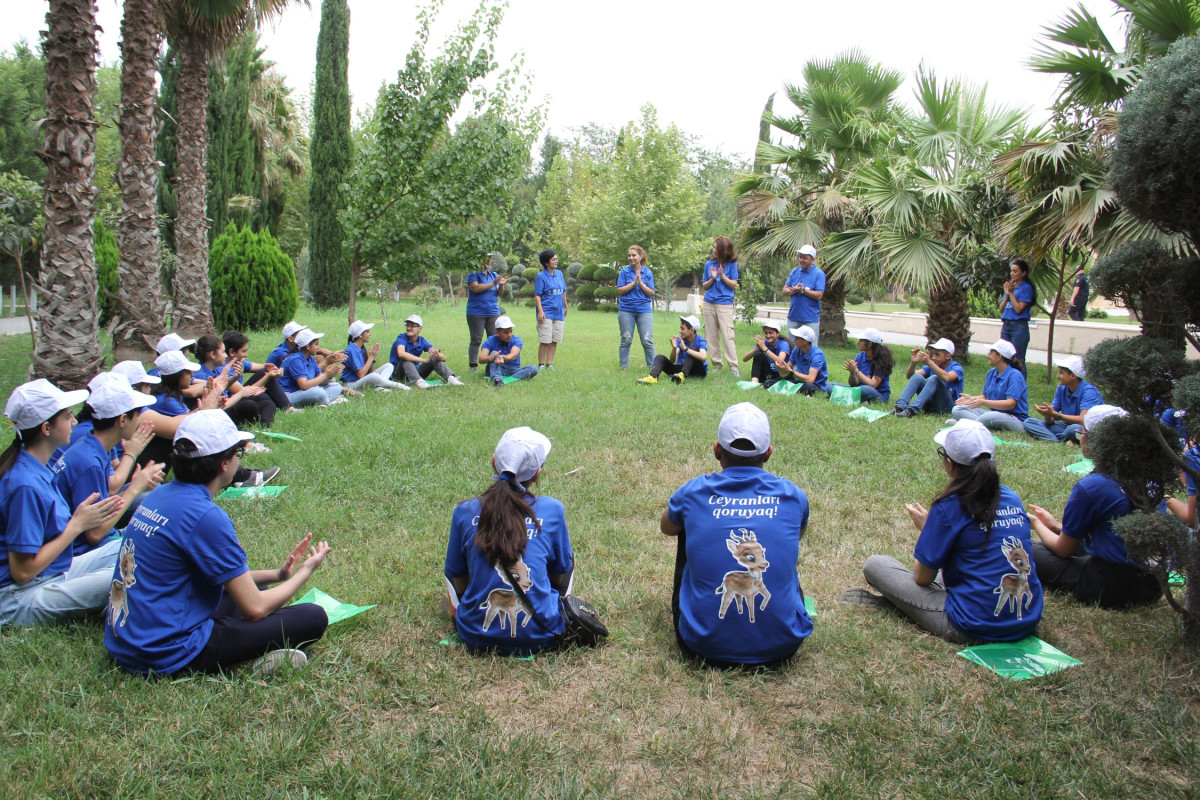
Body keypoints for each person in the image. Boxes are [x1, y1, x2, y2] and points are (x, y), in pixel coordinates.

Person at [104, 410, 331, 675]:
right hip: (165, 652)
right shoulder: (205, 516)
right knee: (312, 617)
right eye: (238, 453)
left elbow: (212, 578)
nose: (239, 460)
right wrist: (305, 572)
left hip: (126, 641)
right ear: (224, 463)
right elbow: (255, 609)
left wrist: (278, 574)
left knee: (256, 587)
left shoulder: (158, 495)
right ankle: (250, 660)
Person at [847, 419, 1043, 643]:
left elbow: (922, 578)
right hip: (1026, 621)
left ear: (950, 463)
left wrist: (926, 530)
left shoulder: (949, 505)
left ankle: (903, 606)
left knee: (876, 565)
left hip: (972, 626)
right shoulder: (1012, 498)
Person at [660, 403, 812, 667]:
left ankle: (706, 618)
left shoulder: (693, 491)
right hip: (784, 645)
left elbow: (667, 527)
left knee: (685, 525)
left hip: (701, 644)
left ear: (717, 450)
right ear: (768, 453)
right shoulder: (793, 495)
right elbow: (797, 536)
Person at [0, 379, 125, 627]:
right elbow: (22, 572)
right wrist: (77, 525)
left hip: (51, 572)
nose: (75, 422)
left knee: (134, 548)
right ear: (47, 428)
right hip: (18, 596)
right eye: (68, 416)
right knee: (129, 573)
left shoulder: (36, 466)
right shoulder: (25, 485)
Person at [444, 427, 573, 655]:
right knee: (567, 560)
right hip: (545, 635)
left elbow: (456, 576)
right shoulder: (553, 509)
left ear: (493, 461)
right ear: (537, 474)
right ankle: (551, 610)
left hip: (473, 635)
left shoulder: (464, 511)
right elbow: (559, 572)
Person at [1028, 405, 1162, 609]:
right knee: (1052, 546)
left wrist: (1036, 523)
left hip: (1110, 586)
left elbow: (1064, 550)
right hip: (1153, 586)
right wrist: (1056, 527)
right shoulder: (1151, 477)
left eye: (1082, 432)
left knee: (1028, 549)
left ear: (1095, 440)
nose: (1080, 437)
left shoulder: (1093, 486)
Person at [52, 379, 163, 557]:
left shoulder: (92, 444)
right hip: (84, 551)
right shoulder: (89, 462)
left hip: (101, 537)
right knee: (164, 540)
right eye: (137, 415)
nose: (138, 421)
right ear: (123, 420)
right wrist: (134, 488)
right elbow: (94, 535)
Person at [193, 334, 278, 427]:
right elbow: (216, 405)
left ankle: (264, 427)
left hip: (228, 403)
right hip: (217, 412)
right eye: (223, 352)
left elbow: (227, 388)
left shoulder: (217, 370)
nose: (225, 355)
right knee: (249, 405)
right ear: (213, 355)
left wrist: (235, 378)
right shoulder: (201, 375)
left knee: (267, 403)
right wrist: (241, 393)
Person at [951, 340, 1028, 433]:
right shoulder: (991, 373)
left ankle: (966, 424)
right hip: (994, 414)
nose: (988, 356)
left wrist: (982, 402)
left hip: (1015, 419)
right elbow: (986, 396)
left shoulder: (1015, 375)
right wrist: (971, 399)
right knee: (957, 409)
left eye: (991, 352)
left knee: (989, 416)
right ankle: (975, 424)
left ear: (999, 356)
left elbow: (1010, 404)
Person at [1024, 355, 1103, 443]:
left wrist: (1057, 415)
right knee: (1029, 422)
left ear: (1073, 376)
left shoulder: (1089, 391)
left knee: (1073, 429)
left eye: (1061, 373)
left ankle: (1057, 438)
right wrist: (1048, 414)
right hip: (1066, 426)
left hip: (1084, 428)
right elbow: (1051, 421)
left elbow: (1083, 421)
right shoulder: (1061, 388)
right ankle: (1059, 441)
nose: (1058, 376)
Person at [221, 330, 296, 415]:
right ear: (231, 352)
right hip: (233, 403)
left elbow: (262, 367)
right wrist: (268, 376)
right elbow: (245, 392)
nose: (246, 354)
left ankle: (288, 408)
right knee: (263, 396)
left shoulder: (239, 362)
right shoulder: (223, 370)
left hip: (241, 396)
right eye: (243, 351)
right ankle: (285, 408)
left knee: (264, 372)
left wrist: (273, 369)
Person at [893, 338, 964, 418]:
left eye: (937, 354)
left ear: (948, 356)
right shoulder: (933, 364)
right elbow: (910, 376)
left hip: (946, 407)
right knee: (917, 377)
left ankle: (911, 411)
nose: (933, 357)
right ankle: (899, 407)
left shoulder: (957, 368)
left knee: (934, 378)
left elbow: (947, 377)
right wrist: (913, 363)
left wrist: (929, 362)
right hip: (930, 404)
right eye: (933, 354)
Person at [389, 314, 464, 388]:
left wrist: (436, 355)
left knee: (433, 359)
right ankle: (419, 381)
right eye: (407, 325)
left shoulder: (422, 341)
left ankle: (451, 378)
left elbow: (444, 358)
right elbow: (401, 354)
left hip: (414, 371)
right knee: (406, 360)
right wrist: (423, 360)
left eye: (412, 326)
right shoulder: (402, 338)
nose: (409, 328)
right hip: (398, 373)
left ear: (420, 328)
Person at [700, 236, 740, 375]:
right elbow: (705, 286)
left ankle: (733, 367)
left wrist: (722, 276)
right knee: (711, 336)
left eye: (716, 247)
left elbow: (733, 284)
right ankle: (717, 364)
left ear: (723, 250)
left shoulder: (732, 265)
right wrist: (712, 278)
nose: (713, 249)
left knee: (728, 335)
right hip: (709, 302)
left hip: (724, 304)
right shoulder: (709, 264)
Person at [279, 329, 346, 408]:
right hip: (289, 395)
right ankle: (328, 403)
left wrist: (330, 375)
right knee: (318, 392)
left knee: (336, 386)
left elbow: (320, 381)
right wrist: (326, 374)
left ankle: (321, 402)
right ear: (308, 346)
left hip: (304, 391)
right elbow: (304, 385)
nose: (318, 347)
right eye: (316, 344)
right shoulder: (295, 360)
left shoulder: (310, 358)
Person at [617, 244, 656, 371]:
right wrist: (633, 283)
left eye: (634, 255)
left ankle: (653, 368)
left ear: (641, 256)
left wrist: (640, 282)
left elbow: (650, 292)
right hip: (626, 310)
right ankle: (624, 367)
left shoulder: (648, 273)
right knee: (626, 339)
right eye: (629, 255)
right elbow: (620, 290)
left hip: (644, 311)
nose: (631, 258)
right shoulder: (624, 272)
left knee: (647, 340)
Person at [342, 319, 409, 392]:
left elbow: (370, 372)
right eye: (367, 332)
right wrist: (372, 356)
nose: (369, 334)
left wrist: (371, 357)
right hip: (351, 384)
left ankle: (378, 386)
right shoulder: (351, 350)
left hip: (360, 380)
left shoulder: (361, 348)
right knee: (374, 376)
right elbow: (360, 374)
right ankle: (397, 385)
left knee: (389, 366)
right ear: (360, 335)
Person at [637, 315, 708, 385]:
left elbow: (703, 357)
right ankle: (653, 377)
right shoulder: (680, 339)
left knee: (693, 348)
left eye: (682, 329)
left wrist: (686, 349)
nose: (680, 331)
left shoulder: (700, 340)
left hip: (698, 371)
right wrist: (674, 348)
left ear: (691, 330)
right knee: (660, 357)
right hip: (681, 369)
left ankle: (682, 375)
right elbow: (672, 360)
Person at [466, 253, 507, 372]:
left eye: (490, 259)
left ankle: (493, 364)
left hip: (493, 311)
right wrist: (493, 283)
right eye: (486, 259)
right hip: (476, 312)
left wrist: (501, 285)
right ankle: (473, 365)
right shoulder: (473, 274)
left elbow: (500, 293)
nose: (488, 261)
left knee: (494, 338)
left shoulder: (493, 275)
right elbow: (475, 288)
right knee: (476, 339)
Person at [832, 328, 894, 404]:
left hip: (877, 394)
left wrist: (856, 370)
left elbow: (873, 385)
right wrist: (852, 372)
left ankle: (845, 396)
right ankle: (854, 397)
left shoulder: (882, 360)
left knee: (865, 389)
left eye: (861, 341)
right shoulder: (860, 356)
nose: (858, 343)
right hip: (859, 389)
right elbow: (854, 384)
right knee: (831, 386)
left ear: (870, 344)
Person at [479, 316, 539, 387]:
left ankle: (504, 380)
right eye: (506, 333)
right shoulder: (490, 341)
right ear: (497, 333)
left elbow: (513, 355)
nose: (509, 335)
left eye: (511, 331)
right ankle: (497, 379)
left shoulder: (516, 340)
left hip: (512, 370)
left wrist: (503, 358)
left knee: (533, 368)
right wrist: (491, 358)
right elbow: (481, 359)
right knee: (494, 353)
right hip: (496, 368)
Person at [782, 244, 825, 345]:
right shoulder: (795, 272)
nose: (801, 260)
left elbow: (819, 295)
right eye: (800, 257)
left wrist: (803, 290)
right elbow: (784, 291)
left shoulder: (819, 274)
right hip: (793, 318)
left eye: (805, 258)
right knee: (793, 348)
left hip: (810, 320)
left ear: (813, 260)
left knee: (810, 349)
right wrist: (794, 290)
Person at [999, 258, 1036, 374]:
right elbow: (1001, 309)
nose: (1012, 274)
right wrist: (1007, 294)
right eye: (1011, 271)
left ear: (1023, 273)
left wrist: (1011, 293)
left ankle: (1020, 384)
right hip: (1006, 325)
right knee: (1004, 357)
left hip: (1018, 326)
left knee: (1018, 359)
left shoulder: (1026, 288)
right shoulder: (1011, 287)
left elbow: (1019, 309)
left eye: (1015, 271)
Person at [534, 249, 567, 369]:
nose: (556, 261)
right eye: (554, 259)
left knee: (555, 339)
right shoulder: (541, 277)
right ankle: (541, 364)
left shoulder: (560, 274)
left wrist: (565, 306)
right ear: (546, 262)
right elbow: (537, 295)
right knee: (545, 340)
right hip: (546, 312)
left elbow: (563, 291)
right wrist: (540, 311)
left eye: (556, 259)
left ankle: (549, 363)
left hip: (559, 312)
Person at [777, 325, 827, 395]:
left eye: (797, 338)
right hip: (800, 382)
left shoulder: (817, 355)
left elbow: (810, 379)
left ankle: (789, 390)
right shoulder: (797, 349)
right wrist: (781, 368)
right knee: (772, 382)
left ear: (805, 341)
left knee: (808, 387)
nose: (794, 340)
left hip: (815, 385)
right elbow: (787, 369)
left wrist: (791, 371)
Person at [741, 321, 790, 388]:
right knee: (758, 355)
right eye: (766, 333)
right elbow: (744, 359)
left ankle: (765, 385)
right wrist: (756, 349)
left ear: (778, 334)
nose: (768, 335)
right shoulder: (764, 343)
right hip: (768, 372)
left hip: (780, 374)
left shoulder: (783, 344)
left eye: (770, 333)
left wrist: (765, 348)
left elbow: (780, 361)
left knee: (771, 383)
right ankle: (754, 382)